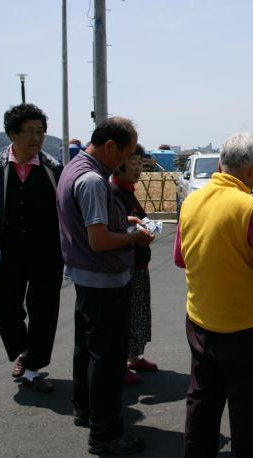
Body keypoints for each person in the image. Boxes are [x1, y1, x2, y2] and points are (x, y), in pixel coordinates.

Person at [174, 132, 253, 457]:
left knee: (202, 403)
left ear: (220, 164)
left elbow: (180, 258)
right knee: (244, 412)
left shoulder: (191, 202)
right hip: (245, 329)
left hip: (200, 322)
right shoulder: (250, 208)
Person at [56, 117, 154, 455]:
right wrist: (135, 236)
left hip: (86, 278)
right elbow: (98, 240)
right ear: (111, 146)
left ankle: (85, 409)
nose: (126, 162)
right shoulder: (94, 180)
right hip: (104, 281)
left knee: (87, 349)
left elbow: (90, 224)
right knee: (108, 359)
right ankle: (106, 433)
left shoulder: (74, 167)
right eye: (126, 154)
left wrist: (121, 220)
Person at [0, 103, 63, 393]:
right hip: (8, 250)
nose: (36, 138)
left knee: (44, 310)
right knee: (0, 309)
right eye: (29, 131)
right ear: (12, 134)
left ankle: (32, 366)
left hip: (47, 252)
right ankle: (22, 349)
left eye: (40, 132)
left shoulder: (53, 168)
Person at [110, 143, 158, 385]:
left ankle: (133, 356)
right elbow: (117, 227)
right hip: (127, 264)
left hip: (139, 262)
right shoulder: (114, 191)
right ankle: (121, 363)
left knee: (138, 313)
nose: (138, 167)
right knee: (127, 316)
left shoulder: (128, 190)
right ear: (119, 165)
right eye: (133, 162)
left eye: (140, 163)